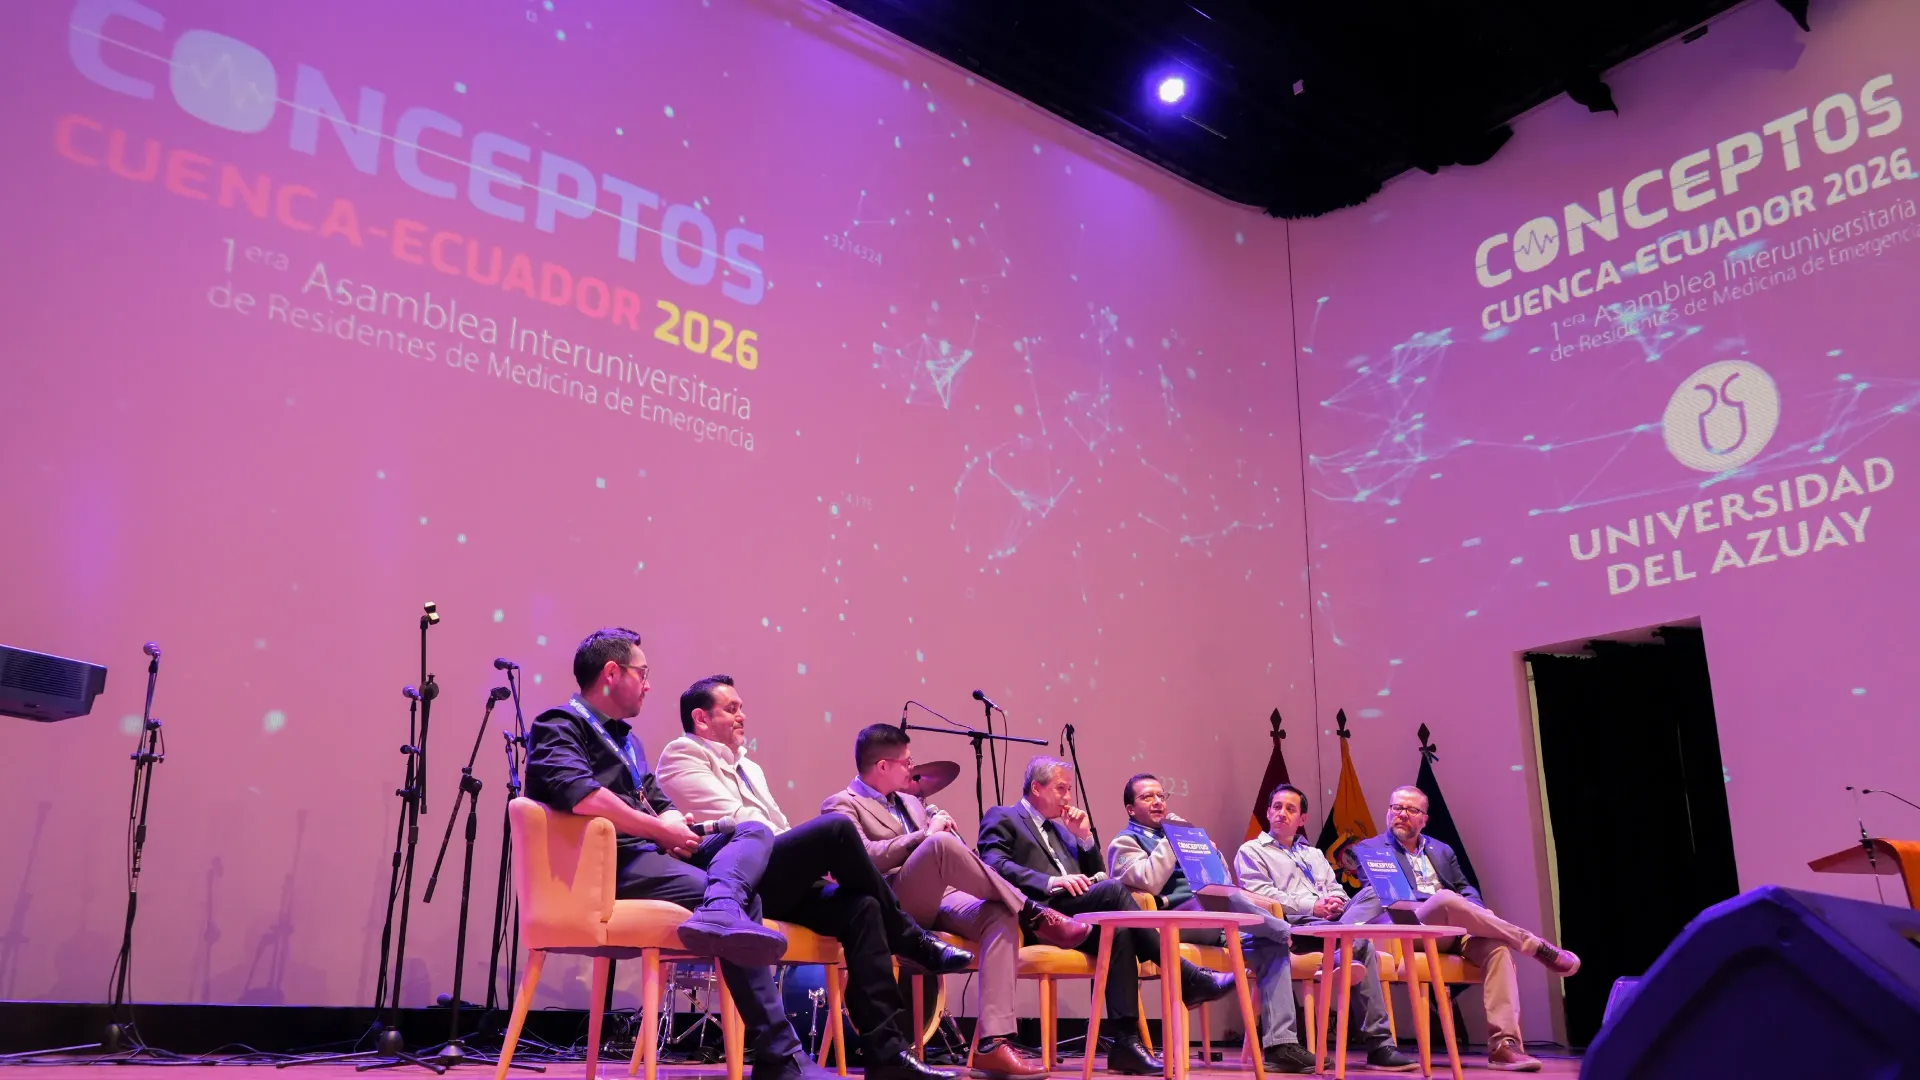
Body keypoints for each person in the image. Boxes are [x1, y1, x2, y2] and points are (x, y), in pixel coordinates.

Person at [526, 628, 844, 1080]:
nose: (648, 684)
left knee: (752, 831)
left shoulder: (628, 740)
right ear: (612, 673)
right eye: (643, 673)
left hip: (649, 856)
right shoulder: (559, 724)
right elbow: (582, 795)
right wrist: (659, 829)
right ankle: (781, 1056)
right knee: (743, 900)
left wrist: (674, 822)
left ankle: (723, 905)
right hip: (605, 865)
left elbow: (657, 799)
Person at [653, 675, 972, 1077]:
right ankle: (909, 937)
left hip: (774, 875)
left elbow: (780, 826)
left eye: (741, 707)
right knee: (835, 829)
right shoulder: (682, 754)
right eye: (732, 708)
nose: (742, 715)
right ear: (701, 718)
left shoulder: (749, 766)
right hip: (734, 876)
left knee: (863, 907)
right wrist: (810, 848)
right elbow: (744, 824)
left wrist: (810, 858)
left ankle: (887, 1052)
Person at [823, 725, 1093, 1080]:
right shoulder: (841, 804)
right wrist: (927, 835)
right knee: (939, 844)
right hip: (892, 902)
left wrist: (944, 837)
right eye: (906, 762)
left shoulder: (911, 802)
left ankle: (992, 1045)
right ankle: (1034, 911)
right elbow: (864, 858)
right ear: (883, 766)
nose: (912, 768)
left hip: (942, 896)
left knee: (999, 913)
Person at [979, 757, 1237, 1075]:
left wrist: (1084, 838)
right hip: (1037, 915)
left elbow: (1097, 875)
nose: (1068, 798)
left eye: (1069, 790)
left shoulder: (1061, 832)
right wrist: (1050, 881)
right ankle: (1186, 977)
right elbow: (993, 864)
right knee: (1115, 892)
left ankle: (1125, 1045)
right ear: (1036, 788)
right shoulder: (1004, 816)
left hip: (1074, 916)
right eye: (1061, 789)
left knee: (1120, 932)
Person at [1344, 785, 1582, 1073]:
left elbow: (1466, 889)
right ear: (1388, 811)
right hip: (1409, 929)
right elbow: (1387, 896)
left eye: (1411, 810)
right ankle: (1531, 943)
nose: (1402, 814)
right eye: (1397, 808)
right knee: (1445, 898)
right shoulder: (1370, 849)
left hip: (1453, 930)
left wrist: (1473, 910)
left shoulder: (1441, 850)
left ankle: (1503, 1045)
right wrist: (1445, 900)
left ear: (1424, 819)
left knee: (1497, 949)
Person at [1233, 784, 1417, 1073]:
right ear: (1268, 812)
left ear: (1302, 819)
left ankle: (1380, 1046)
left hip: (1326, 923)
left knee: (1375, 896)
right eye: (1277, 807)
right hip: (1289, 925)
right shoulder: (1252, 851)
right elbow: (1262, 895)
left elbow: (1335, 888)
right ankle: (1341, 941)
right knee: (1357, 943)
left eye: (1290, 809)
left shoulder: (1314, 854)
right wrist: (1312, 906)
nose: (1282, 813)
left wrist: (1337, 903)